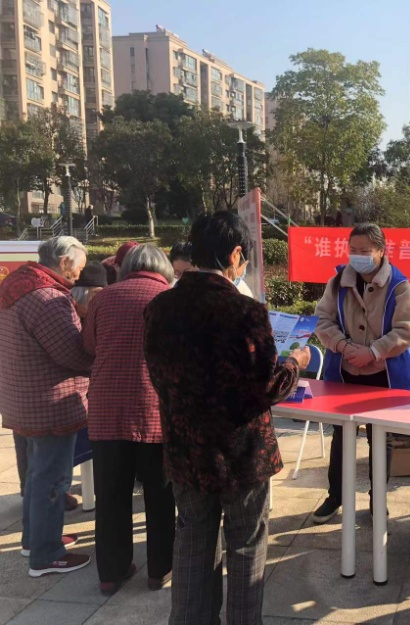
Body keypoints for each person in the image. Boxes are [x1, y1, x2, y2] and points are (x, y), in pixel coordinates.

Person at [144, 211, 310, 624]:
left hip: (185, 451)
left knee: (192, 542)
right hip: (241, 455)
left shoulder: (159, 308)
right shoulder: (245, 312)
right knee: (246, 545)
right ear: (236, 254)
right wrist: (296, 362)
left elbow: (158, 377)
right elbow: (268, 386)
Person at [83, 244, 177, 596]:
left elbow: (88, 345)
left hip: (106, 411)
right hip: (155, 411)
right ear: (164, 269)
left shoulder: (103, 298)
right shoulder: (170, 300)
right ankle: (160, 570)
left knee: (111, 496)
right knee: (160, 495)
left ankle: (111, 572)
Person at [311, 223, 410, 524]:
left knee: (380, 438)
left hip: (384, 374)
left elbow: (406, 330)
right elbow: (322, 320)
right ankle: (336, 495)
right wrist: (344, 346)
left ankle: (377, 499)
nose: (357, 256)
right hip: (345, 371)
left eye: (365, 251)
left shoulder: (399, 285)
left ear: (381, 251)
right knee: (341, 435)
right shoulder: (337, 282)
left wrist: (372, 352)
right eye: (353, 250)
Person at [0, 236, 93, 577]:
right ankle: (46, 554)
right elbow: (73, 354)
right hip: (49, 403)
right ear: (65, 261)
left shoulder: (16, 283)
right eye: (79, 268)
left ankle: (34, 539)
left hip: (20, 397)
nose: (79, 276)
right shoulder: (48, 298)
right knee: (52, 481)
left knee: (35, 476)